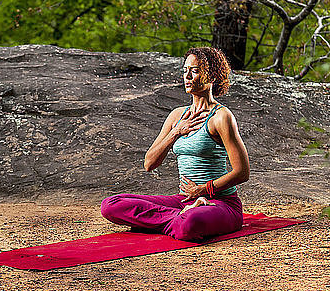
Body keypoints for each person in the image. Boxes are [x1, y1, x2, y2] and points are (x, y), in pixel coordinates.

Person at [100, 47, 250, 242]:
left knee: (189, 224)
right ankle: (179, 217)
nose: (187, 76)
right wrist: (176, 132)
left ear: (212, 75)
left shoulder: (221, 117)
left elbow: (242, 172)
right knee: (111, 205)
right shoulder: (177, 116)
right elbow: (149, 163)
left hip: (220, 204)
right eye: (185, 70)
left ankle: (173, 219)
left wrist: (203, 191)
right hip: (185, 201)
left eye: (194, 71)